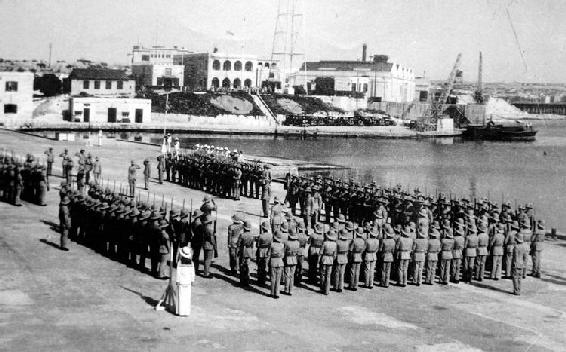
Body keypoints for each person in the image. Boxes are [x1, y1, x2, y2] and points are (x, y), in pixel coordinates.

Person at [237, 220, 254, 285]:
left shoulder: (242, 235)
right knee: (248, 266)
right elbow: (252, 245)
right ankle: (247, 279)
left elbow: (238, 244)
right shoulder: (251, 235)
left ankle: (242, 280)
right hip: (249, 250)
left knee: (241, 266)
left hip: (243, 250)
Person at [320, 229, 337, 295]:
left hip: (324, 258)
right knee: (328, 275)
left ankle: (322, 288)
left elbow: (321, 252)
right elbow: (335, 255)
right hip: (330, 259)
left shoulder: (325, 243)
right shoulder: (334, 244)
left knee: (323, 274)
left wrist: (319, 260)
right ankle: (327, 290)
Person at [283, 228, 300, 295]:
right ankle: (291, 290)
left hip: (288, 258)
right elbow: (298, 252)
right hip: (294, 259)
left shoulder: (286, 243)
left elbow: (284, 251)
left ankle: (286, 289)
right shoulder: (297, 243)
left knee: (287, 275)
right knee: (292, 275)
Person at [269, 231, 285, 299]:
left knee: (273, 278)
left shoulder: (272, 244)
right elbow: (283, 255)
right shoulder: (282, 245)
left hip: (273, 261)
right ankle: (277, 293)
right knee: (278, 279)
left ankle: (272, 292)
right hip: (280, 262)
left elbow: (268, 254)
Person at [256, 221, 272, 285]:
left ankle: (261, 280)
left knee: (260, 266)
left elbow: (257, 245)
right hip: (268, 251)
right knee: (266, 265)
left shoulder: (261, 236)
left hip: (261, 251)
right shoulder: (271, 236)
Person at [202, 213, 216, 279]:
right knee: (208, 259)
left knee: (206, 259)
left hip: (205, 243)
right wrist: (214, 245)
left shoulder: (204, 227)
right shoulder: (210, 229)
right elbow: (212, 239)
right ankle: (206, 273)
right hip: (209, 245)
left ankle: (206, 270)